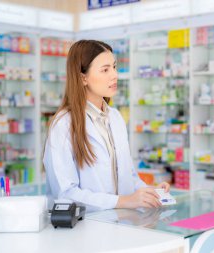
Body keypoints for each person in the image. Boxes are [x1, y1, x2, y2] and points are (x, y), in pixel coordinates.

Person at [43, 40, 170, 212]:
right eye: (105, 70)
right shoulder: (64, 125)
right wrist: (123, 201)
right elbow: (65, 194)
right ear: (83, 78)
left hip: (121, 222)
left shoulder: (115, 118)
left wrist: (149, 193)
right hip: (86, 229)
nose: (114, 75)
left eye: (114, 67)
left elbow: (128, 176)